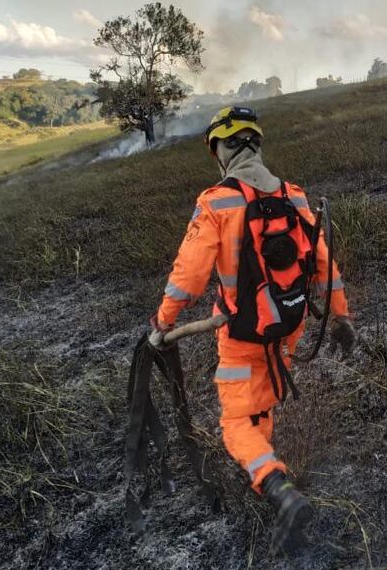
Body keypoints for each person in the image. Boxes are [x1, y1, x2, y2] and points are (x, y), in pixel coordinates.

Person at [148, 106, 356, 553]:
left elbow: (188, 275)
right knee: (262, 402)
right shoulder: (294, 196)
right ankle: (268, 468)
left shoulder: (216, 202)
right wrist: (341, 317)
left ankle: (277, 487)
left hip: (243, 334)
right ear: (256, 145)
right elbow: (324, 263)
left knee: (236, 419)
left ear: (221, 149)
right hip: (289, 325)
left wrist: (163, 322)